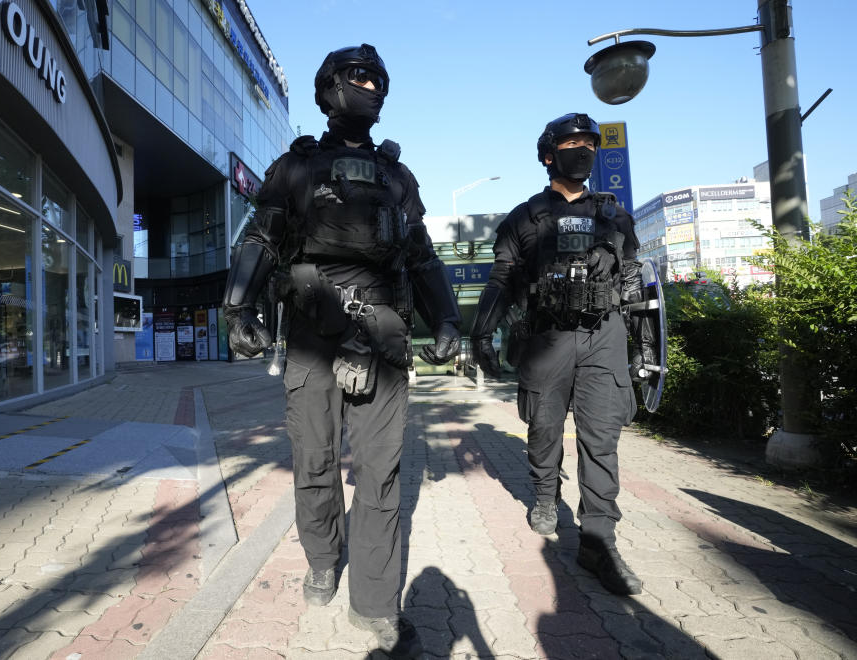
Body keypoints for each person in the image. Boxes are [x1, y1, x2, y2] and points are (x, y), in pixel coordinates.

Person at [222, 44, 460, 656]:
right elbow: (260, 237)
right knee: (314, 463)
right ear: (330, 88)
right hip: (309, 335)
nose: (370, 86)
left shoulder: (396, 177)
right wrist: (237, 304)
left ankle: (376, 602)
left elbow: (423, 256)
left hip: (381, 336)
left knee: (380, 473)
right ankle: (324, 559)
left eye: (378, 79)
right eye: (358, 77)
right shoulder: (296, 166)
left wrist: (450, 322)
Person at [469, 113, 650, 596]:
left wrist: (644, 348)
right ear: (550, 154)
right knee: (544, 427)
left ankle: (599, 541)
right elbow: (502, 280)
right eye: (572, 143)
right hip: (546, 337)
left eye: (589, 143)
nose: (583, 150)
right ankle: (546, 497)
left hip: (604, 336)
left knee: (601, 438)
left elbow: (632, 285)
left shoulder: (616, 216)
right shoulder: (524, 218)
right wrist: (481, 334)